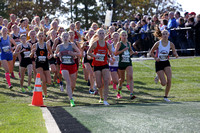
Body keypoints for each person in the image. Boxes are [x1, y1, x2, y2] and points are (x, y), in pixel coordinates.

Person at [150, 29, 178, 102]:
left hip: (166, 62)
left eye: (166, 34)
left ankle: (165, 96)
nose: (165, 35)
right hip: (159, 63)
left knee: (169, 80)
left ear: (168, 35)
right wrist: (155, 58)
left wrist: (176, 55)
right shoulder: (158, 43)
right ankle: (158, 76)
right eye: (164, 34)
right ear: (161, 35)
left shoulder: (171, 44)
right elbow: (151, 52)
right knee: (163, 83)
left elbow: (174, 52)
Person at [54, 32, 81, 107]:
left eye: (66, 36)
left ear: (69, 38)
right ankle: (71, 99)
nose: (65, 38)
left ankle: (70, 94)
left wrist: (73, 54)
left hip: (72, 65)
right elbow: (54, 54)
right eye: (64, 37)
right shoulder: (59, 46)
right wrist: (57, 55)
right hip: (64, 66)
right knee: (68, 81)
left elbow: (79, 53)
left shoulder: (72, 45)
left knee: (73, 84)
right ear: (61, 38)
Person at [87, 28, 113, 106]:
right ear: (97, 35)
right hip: (97, 65)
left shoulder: (107, 44)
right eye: (100, 33)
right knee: (99, 84)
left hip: (104, 64)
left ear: (104, 34)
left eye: (103, 33)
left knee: (106, 81)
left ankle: (105, 99)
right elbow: (89, 53)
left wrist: (111, 57)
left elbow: (110, 53)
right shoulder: (95, 44)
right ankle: (101, 97)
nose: (101, 35)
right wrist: (95, 56)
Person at [114, 30, 137, 100]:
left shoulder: (129, 43)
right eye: (123, 35)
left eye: (125, 35)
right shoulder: (119, 44)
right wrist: (123, 50)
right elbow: (115, 53)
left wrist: (134, 52)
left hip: (128, 62)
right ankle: (118, 92)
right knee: (122, 80)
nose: (124, 37)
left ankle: (131, 93)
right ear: (120, 36)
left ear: (127, 36)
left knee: (130, 76)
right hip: (121, 63)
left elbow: (130, 52)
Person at [30, 30, 53, 99]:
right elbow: (31, 56)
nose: (41, 37)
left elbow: (51, 53)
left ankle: (44, 92)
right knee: (43, 80)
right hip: (38, 64)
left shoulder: (47, 45)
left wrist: (50, 56)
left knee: (49, 81)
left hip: (45, 63)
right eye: (39, 36)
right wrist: (32, 52)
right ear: (37, 37)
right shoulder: (35, 45)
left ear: (44, 37)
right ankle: (45, 94)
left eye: (42, 36)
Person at [81, 29, 96, 94]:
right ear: (88, 35)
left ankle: (92, 88)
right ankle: (92, 87)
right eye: (90, 34)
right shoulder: (85, 43)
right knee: (89, 75)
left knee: (92, 74)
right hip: (86, 60)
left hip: (93, 59)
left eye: (93, 34)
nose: (91, 35)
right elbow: (81, 53)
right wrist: (82, 47)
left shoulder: (96, 43)